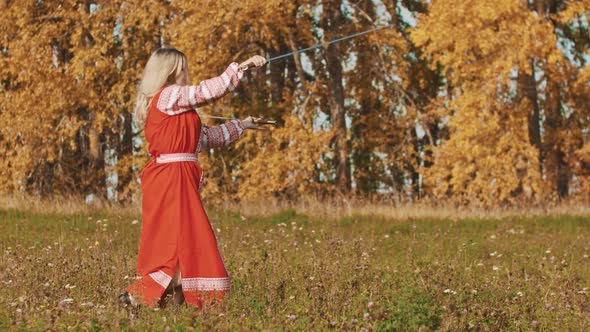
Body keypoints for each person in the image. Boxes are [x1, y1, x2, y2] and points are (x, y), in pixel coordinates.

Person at [118, 47, 267, 310]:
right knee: (174, 240)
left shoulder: (177, 107)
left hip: (180, 179)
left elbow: (209, 138)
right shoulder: (169, 96)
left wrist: (243, 124)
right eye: (183, 67)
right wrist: (242, 67)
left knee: (183, 240)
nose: (187, 72)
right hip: (170, 180)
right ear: (173, 69)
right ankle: (135, 297)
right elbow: (206, 91)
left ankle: (168, 306)